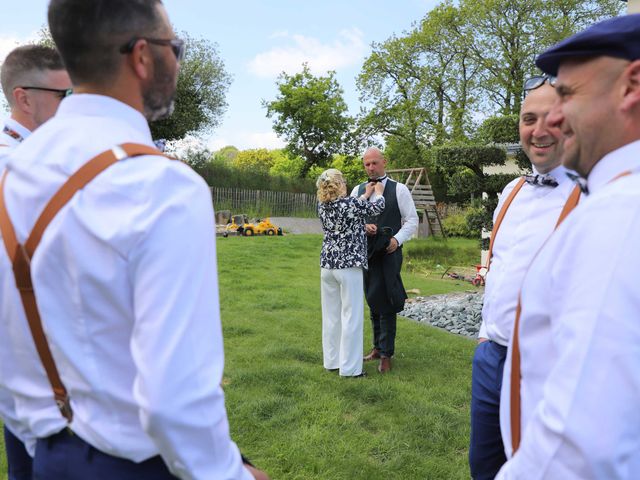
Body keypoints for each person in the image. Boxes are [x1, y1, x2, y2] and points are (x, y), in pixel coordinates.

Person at [0, 1, 268, 479]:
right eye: (175, 47)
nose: (177, 62)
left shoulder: (12, 171)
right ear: (143, 57)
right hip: (131, 463)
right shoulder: (163, 188)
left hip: (44, 454)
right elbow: (175, 400)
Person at [497, 14, 640, 479]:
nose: (553, 121)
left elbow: (578, 451)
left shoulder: (621, 215)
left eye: (568, 95)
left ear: (632, 85)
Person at [468, 80, 581, 479]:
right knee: (483, 467)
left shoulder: (591, 197)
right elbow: (500, 263)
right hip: (490, 356)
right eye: (528, 119)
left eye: (551, 119)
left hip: (544, 365)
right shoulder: (510, 191)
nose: (539, 130)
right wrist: (485, 333)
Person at [0, 44, 71, 480]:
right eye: (62, 96)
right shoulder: (19, 166)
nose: (70, 108)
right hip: (40, 359)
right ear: (24, 97)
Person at [350, 147, 418, 374]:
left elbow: (411, 220)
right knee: (372, 297)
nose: (371, 167)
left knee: (387, 300)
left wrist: (396, 241)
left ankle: (387, 354)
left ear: (384, 162)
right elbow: (349, 221)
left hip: (389, 252)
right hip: (366, 253)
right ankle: (378, 348)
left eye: (374, 163)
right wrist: (362, 227)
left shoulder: (399, 189)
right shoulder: (357, 190)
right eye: (367, 164)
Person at [317, 169, 385, 378]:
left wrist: (364, 194)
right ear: (340, 185)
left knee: (331, 316)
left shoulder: (322, 205)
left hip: (328, 265)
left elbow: (352, 211)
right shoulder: (350, 204)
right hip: (348, 266)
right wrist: (379, 192)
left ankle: (332, 361)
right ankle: (351, 369)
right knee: (352, 316)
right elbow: (377, 207)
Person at [0, 45, 71, 167]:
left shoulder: (29, 152)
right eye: (63, 95)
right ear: (25, 100)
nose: (71, 103)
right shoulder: (10, 164)